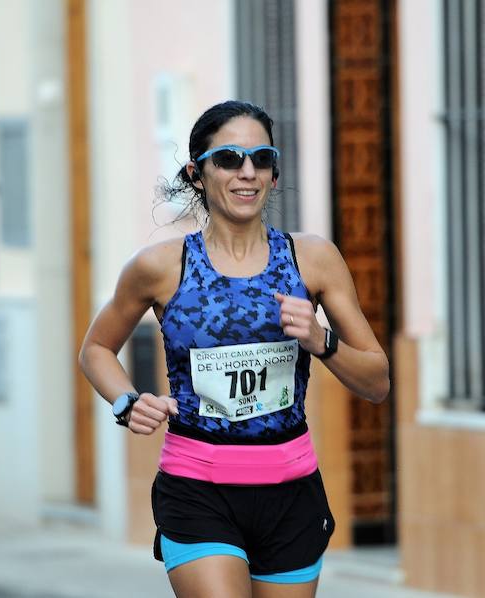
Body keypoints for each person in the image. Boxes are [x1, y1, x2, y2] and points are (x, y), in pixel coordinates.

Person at [79, 100, 389, 598]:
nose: (247, 173)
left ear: (273, 172)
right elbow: (96, 349)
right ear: (197, 174)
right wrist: (127, 401)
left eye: (261, 159)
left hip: (291, 492)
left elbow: (377, 381)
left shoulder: (312, 259)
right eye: (228, 159)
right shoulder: (161, 266)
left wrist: (321, 340)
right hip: (198, 489)